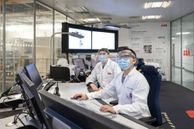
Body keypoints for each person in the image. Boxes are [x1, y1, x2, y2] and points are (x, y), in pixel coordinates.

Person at [72, 47, 151, 119]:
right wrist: (87, 95)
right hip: (123, 114)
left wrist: (115, 108)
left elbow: (140, 107)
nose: (122, 60)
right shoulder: (119, 76)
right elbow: (105, 92)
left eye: (126, 57)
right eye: (120, 58)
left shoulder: (139, 79)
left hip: (137, 118)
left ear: (134, 61)